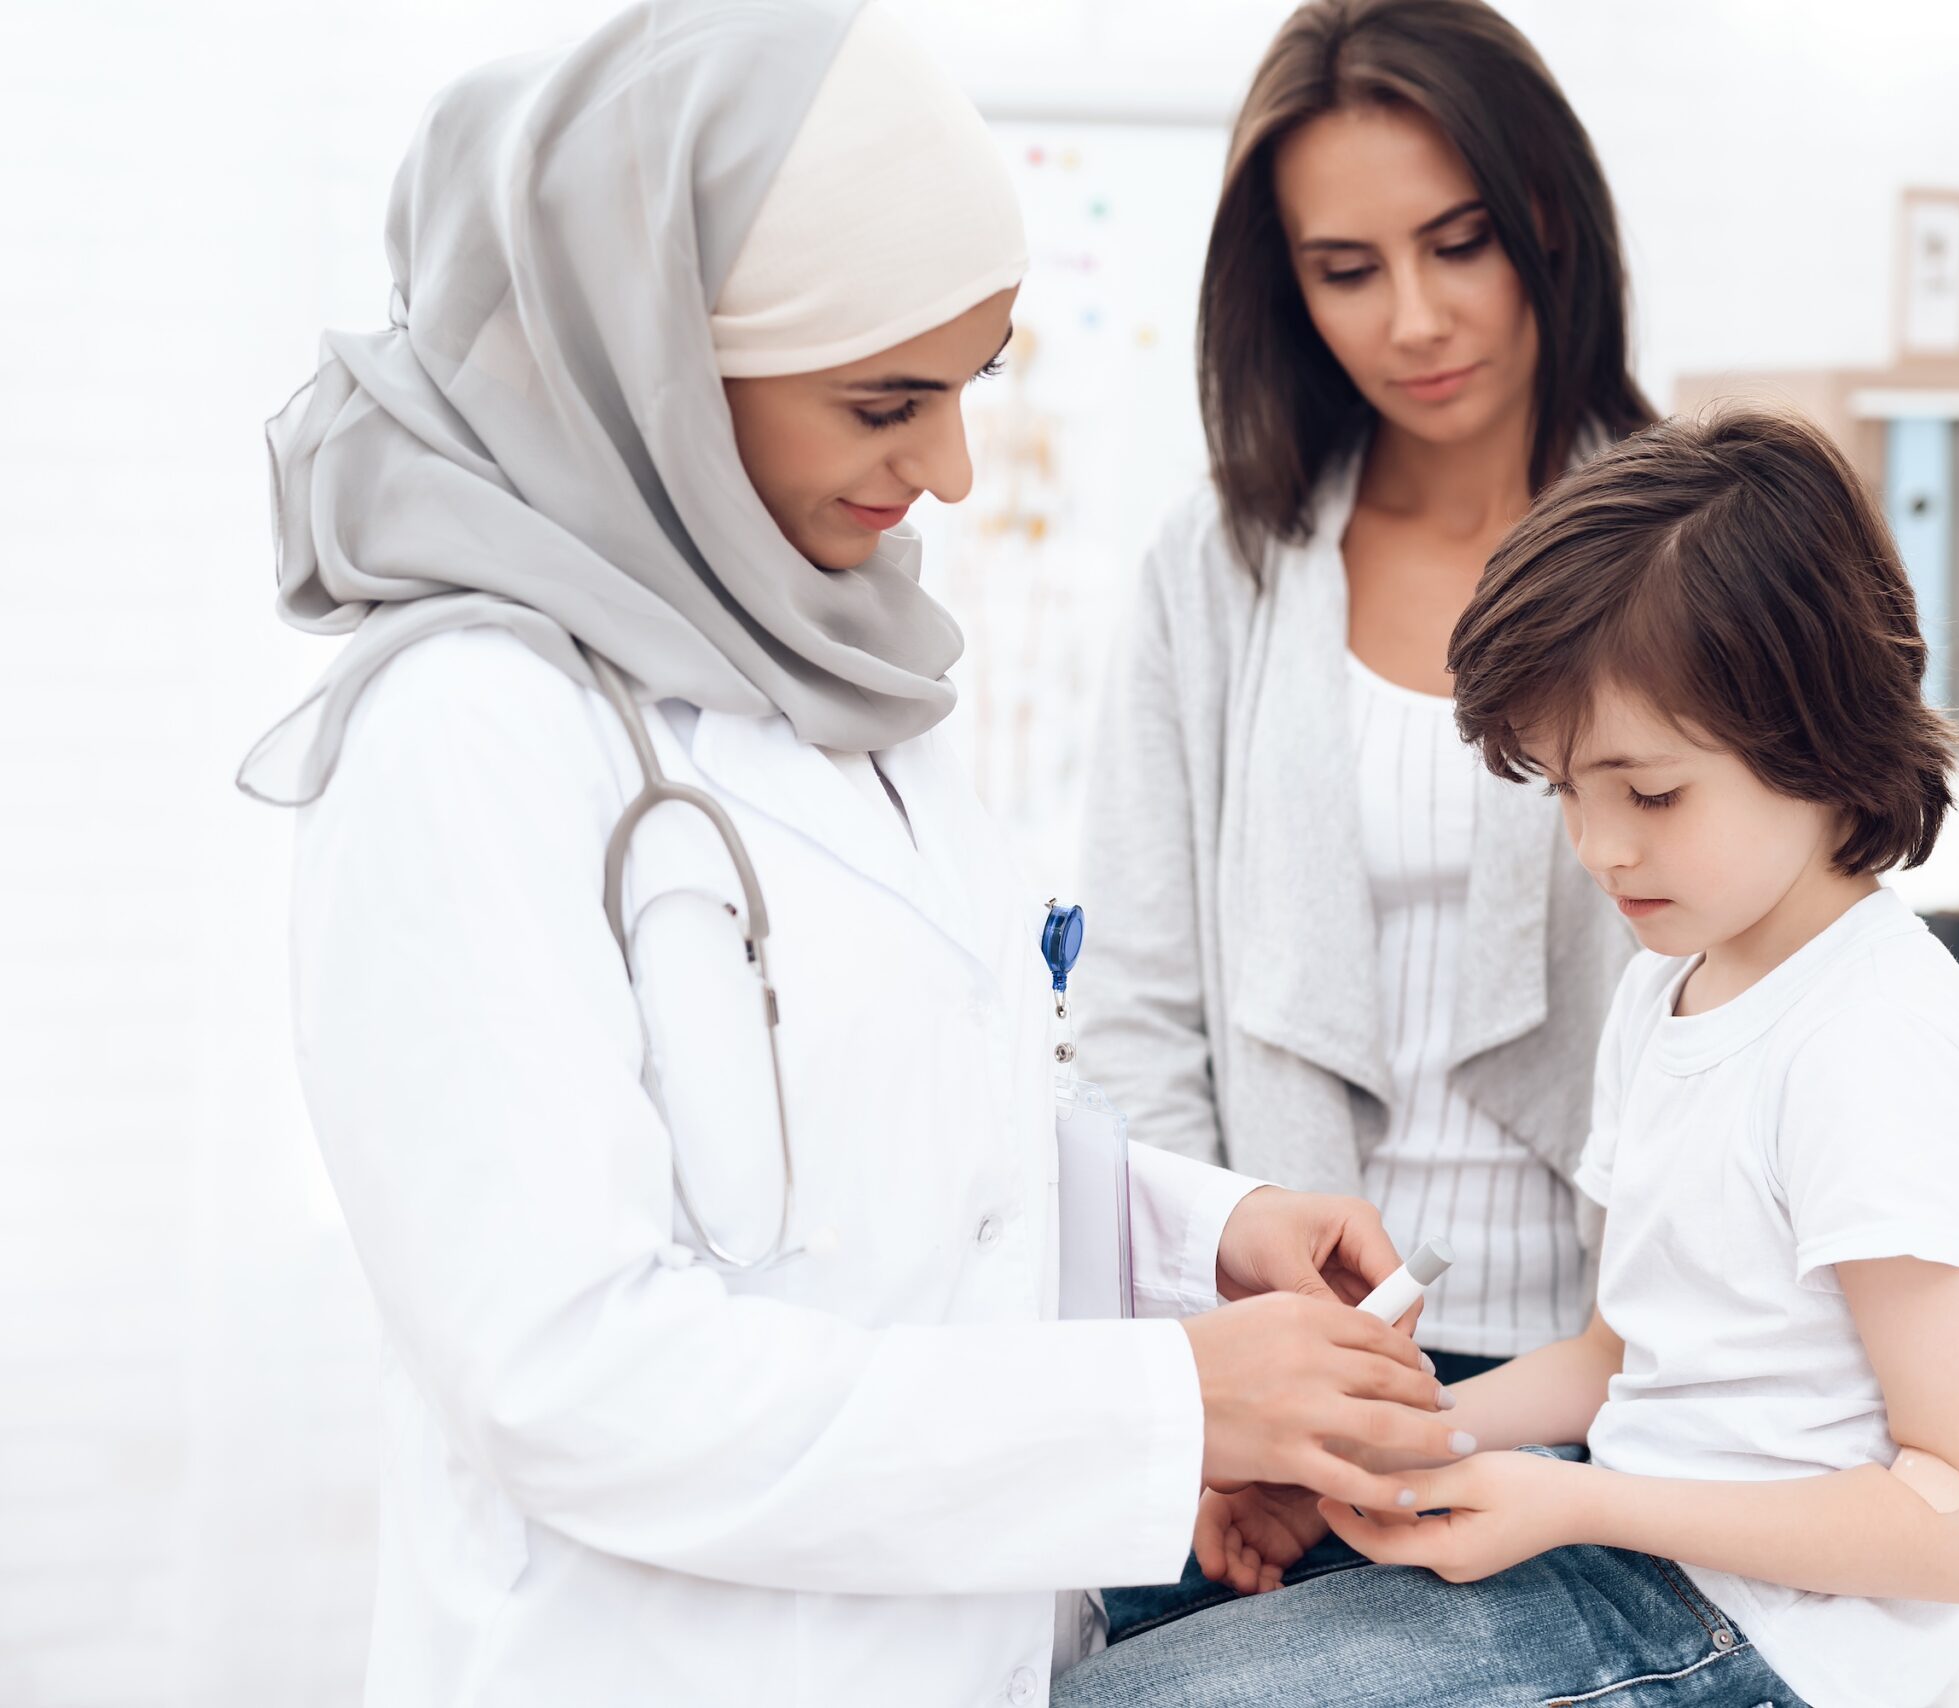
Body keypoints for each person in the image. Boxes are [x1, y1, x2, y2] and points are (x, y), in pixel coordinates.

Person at [239, 4, 1460, 1702]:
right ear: (661, 363)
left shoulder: (832, 665)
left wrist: (1203, 1233)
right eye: (886, 400)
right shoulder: (467, 734)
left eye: (972, 385)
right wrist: (1173, 1401)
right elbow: (568, 1373)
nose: (948, 471)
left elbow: (911, 1152)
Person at [1056, 410, 1959, 1708]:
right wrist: (1370, 1455)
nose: (1599, 849)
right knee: (1104, 1652)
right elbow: (1619, 1358)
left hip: (1776, 1640)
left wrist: (1572, 1506)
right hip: (1643, 1555)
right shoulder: (1679, 987)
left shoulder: (1873, 1051)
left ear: (1822, 733)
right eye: (1565, 792)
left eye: (1649, 796)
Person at [1074, 0, 1650, 1629]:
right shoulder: (1223, 566)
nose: (1415, 318)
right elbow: (1137, 1011)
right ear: (1285, 288)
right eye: (1346, 268)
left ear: (1552, 214)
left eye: (1459, 242)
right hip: (1278, 1386)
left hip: (1595, 1381)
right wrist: (1215, 1378)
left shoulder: (1692, 546)